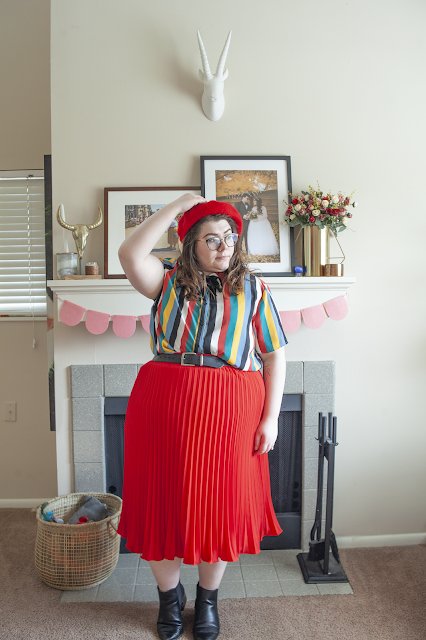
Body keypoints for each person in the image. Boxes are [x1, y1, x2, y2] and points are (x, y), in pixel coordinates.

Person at [117, 194, 287, 640]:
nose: (223, 246)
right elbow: (129, 253)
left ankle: (207, 601)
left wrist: (271, 418)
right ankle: (170, 599)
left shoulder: (253, 288)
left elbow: (274, 355)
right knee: (162, 501)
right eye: (211, 238)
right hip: (164, 401)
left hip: (232, 407)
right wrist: (176, 207)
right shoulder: (166, 282)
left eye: (229, 236)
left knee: (221, 506)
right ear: (190, 243)